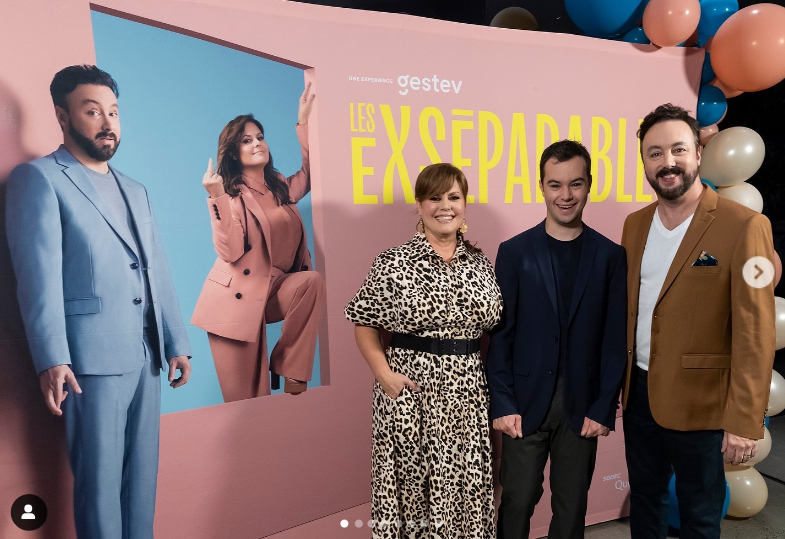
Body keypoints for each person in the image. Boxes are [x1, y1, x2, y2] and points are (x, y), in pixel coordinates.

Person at [5, 65, 192, 539]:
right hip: (89, 361)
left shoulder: (136, 189)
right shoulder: (38, 179)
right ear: (62, 116)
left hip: (148, 356)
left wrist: (176, 342)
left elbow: (157, 268)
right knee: (100, 486)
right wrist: (52, 357)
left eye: (113, 111)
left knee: (141, 485)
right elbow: (37, 277)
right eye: (93, 111)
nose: (108, 122)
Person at [621, 103, 776, 539]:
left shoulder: (746, 226)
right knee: (645, 503)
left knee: (700, 517)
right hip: (639, 395)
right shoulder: (634, 226)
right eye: (654, 153)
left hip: (704, 404)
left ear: (698, 154)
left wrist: (744, 419)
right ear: (644, 162)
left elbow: (756, 330)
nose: (667, 162)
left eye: (678, 150)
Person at [345, 163, 502, 538]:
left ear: (464, 204)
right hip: (411, 395)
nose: (445, 206)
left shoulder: (481, 264)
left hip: (467, 396)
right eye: (434, 197)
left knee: (466, 488)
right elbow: (363, 322)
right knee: (414, 490)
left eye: (453, 197)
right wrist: (384, 375)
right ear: (419, 205)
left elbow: (494, 326)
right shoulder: (393, 262)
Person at [487, 139, 627, 539]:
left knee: (572, 506)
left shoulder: (610, 256)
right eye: (555, 185)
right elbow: (501, 337)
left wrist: (603, 407)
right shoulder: (514, 252)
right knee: (517, 499)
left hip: (582, 405)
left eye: (575, 184)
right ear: (542, 186)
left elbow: (614, 339)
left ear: (588, 185)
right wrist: (503, 402)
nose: (566, 195)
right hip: (524, 403)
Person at [191, 83, 325, 402]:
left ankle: (289, 367)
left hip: (272, 289)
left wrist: (304, 122)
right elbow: (231, 251)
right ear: (233, 153)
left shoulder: (278, 186)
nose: (257, 144)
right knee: (250, 401)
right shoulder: (232, 195)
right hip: (234, 302)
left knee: (311, 281)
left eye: (260, 137)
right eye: (246, 140)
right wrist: (216, 197)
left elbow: (313, 173)